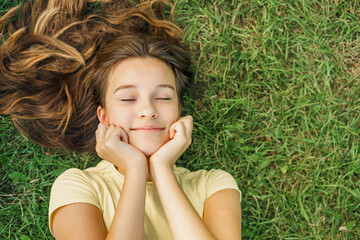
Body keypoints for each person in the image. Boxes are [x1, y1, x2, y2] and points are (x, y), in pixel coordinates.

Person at [0, 1, 241, 239]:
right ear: (103, 116)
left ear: (179, 111)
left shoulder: (214, 185)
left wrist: (162, 170)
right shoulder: (80, 186)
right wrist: (135, 170)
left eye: (164, 97)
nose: (148, 110)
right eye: (127, 98)